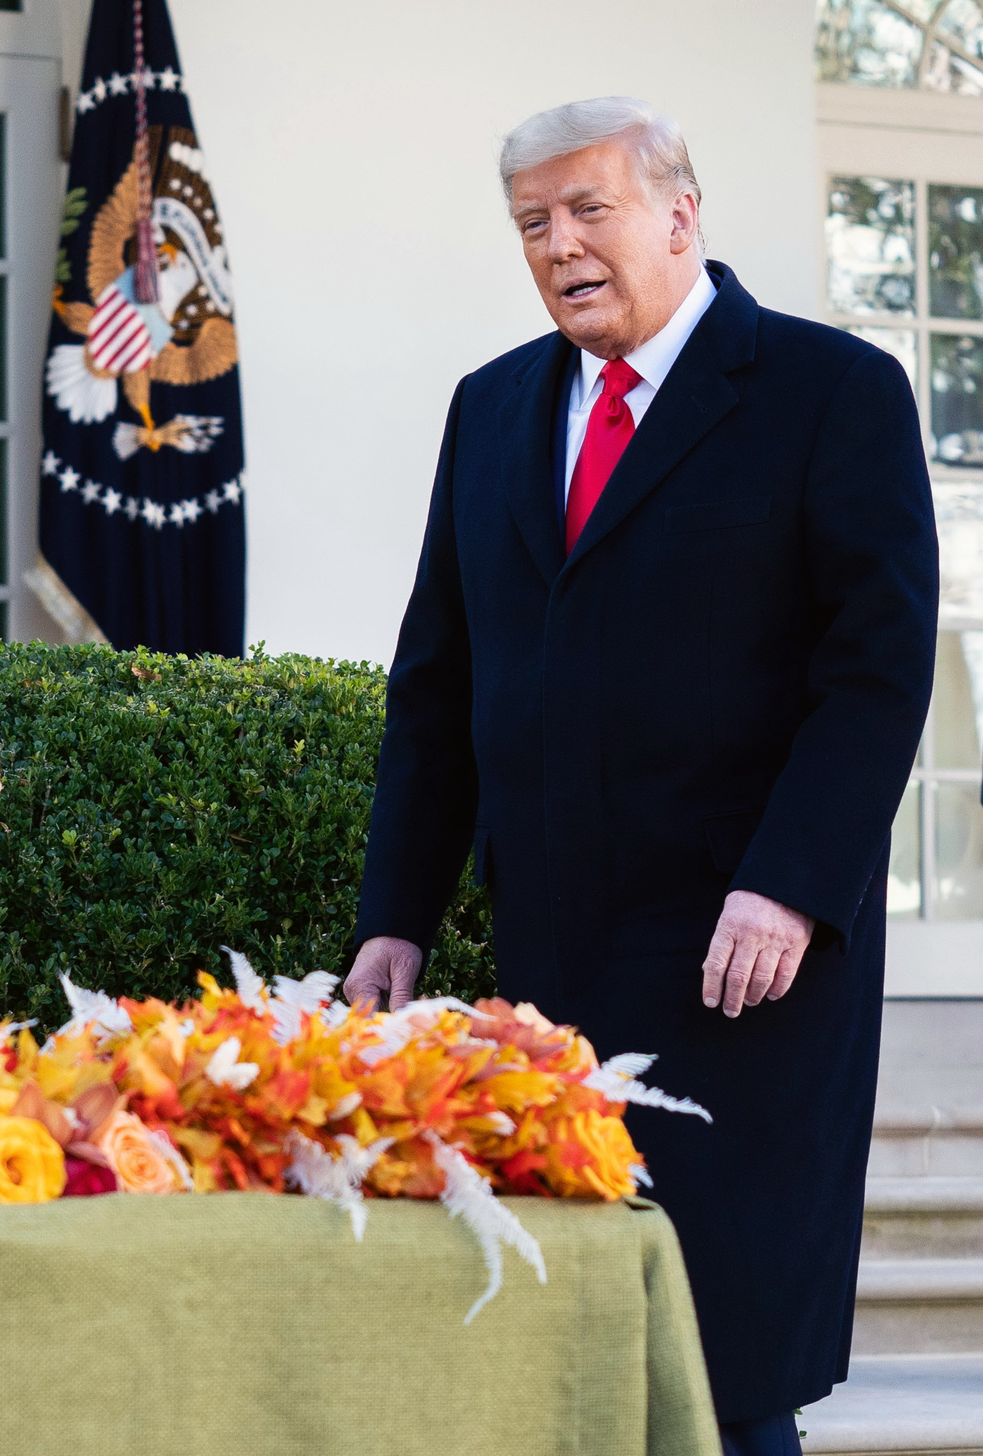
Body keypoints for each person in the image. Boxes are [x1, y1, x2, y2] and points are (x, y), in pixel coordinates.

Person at [344, 97, 936, 1456]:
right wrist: (398, 912)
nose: (561, 247)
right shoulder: (490, 410)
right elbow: (439, 685)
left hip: (748, 966)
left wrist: (789, 888)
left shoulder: (830, 396)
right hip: (549, 971)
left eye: (589, 210)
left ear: (681, 213)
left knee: (720, 1368)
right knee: (564, 1355)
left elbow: (875, 674)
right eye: (533, 225)